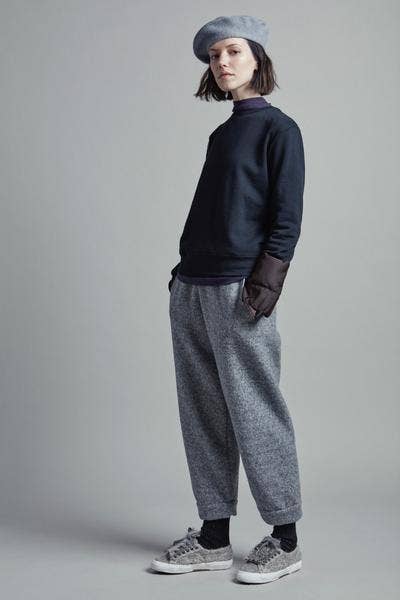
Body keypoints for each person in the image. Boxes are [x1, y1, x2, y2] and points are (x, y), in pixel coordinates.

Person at [150, 15, 305, 585]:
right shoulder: (222, 134)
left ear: (257, 57)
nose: (222, 63)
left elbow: (286, 217)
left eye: (233, 51)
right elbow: (209, 211)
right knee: (202, 412)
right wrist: (180, 275)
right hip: (192, 286)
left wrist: (263, 288)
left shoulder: (278, 130)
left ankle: (285, 538)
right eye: (215, 56)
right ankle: (214, 537)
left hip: (240, 288)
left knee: (256, 408)